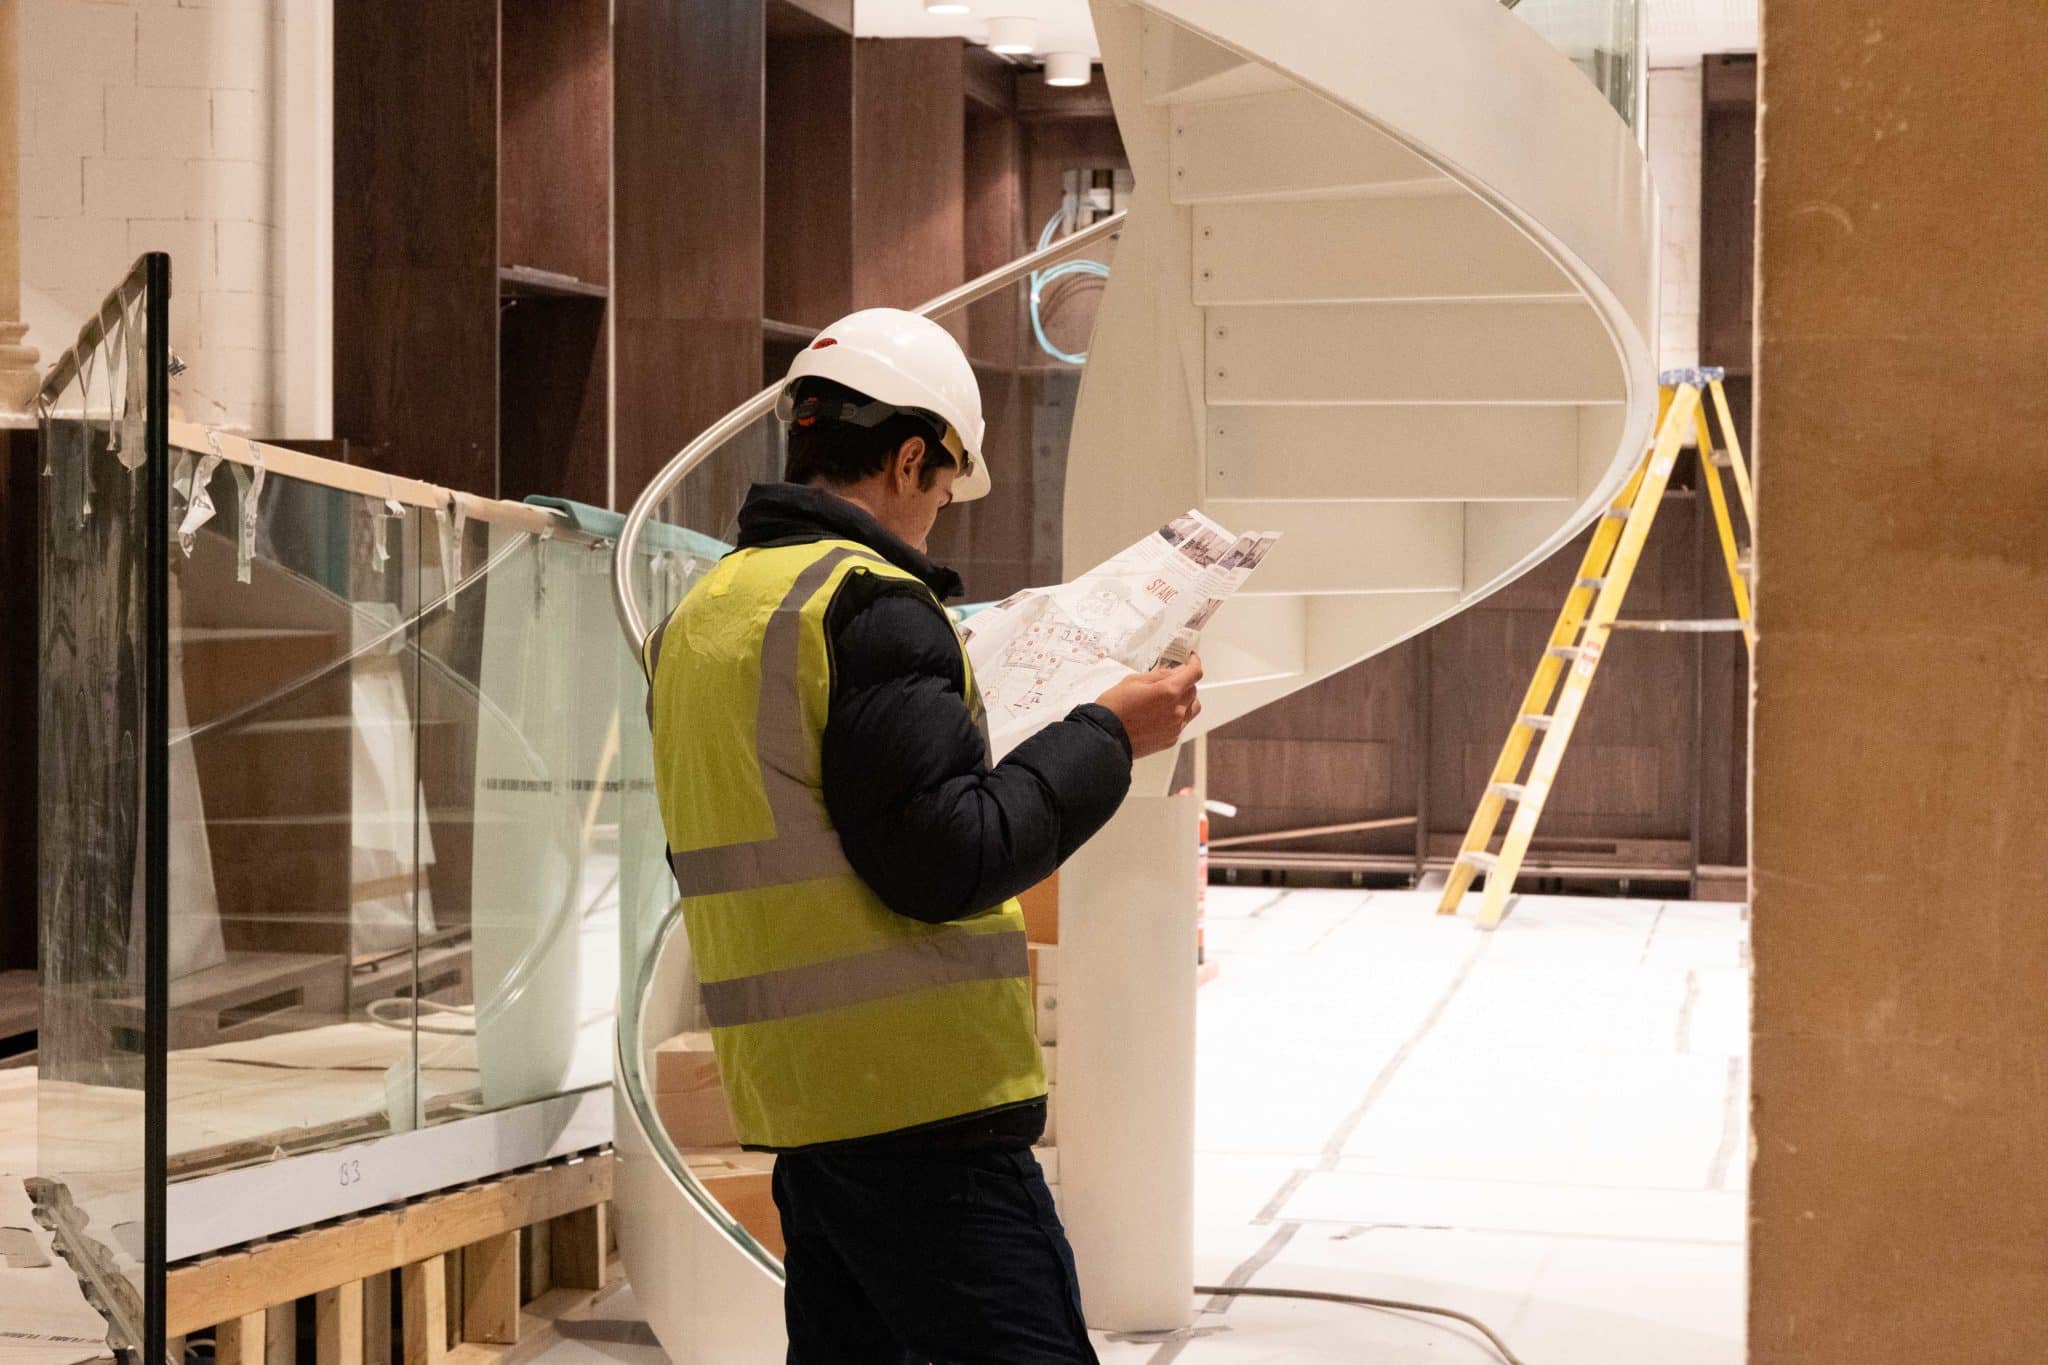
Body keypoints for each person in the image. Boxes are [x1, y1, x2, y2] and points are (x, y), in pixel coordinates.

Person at [640, 307, 1202, 1364]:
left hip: (802, 1102)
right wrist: (1106, 735)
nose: (938, 518)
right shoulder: (872, 606)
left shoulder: (704, 615)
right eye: (942, 489)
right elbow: (950, 859)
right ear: (908, 458)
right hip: (922, 1110)